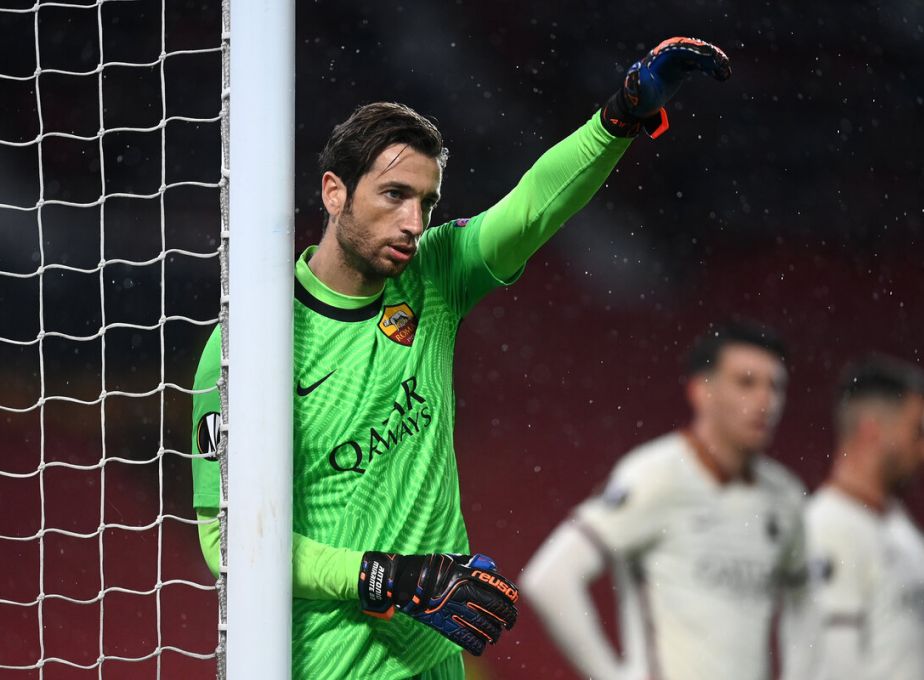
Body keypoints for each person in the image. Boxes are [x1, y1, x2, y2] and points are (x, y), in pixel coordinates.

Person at [192, 37, 733, 679]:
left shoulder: (433, 277)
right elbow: (225, 544)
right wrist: (379, 577)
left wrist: (618, 118)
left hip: (435, 666)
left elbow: (531, 209)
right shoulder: (250, 345)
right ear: (334, 192)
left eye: (426, 203)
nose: (413, 221)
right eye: (393, 195)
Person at [522, 320, 807, 680]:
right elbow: (549, 578)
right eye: (746, 383)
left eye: (776, 386)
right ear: (702, 391)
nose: (766, 401)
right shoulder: (656, 475)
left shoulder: (785, 495)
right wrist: (611, 676)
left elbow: (806, 606)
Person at [799, 355, 924, 680]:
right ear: (871, 432)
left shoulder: (901, 528)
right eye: (918, 431)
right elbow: (833, 667)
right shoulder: (827, 527)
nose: (922, 449)